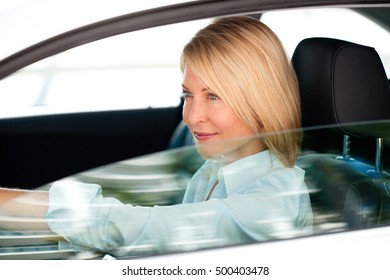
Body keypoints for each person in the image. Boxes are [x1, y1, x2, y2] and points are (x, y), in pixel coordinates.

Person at [0, 16, 312, 255]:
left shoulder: (274, 202)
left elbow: (138, 228)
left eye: (214, 96)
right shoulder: (217, 169)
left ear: (260, 98)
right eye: (188, 94)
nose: (191, 116)